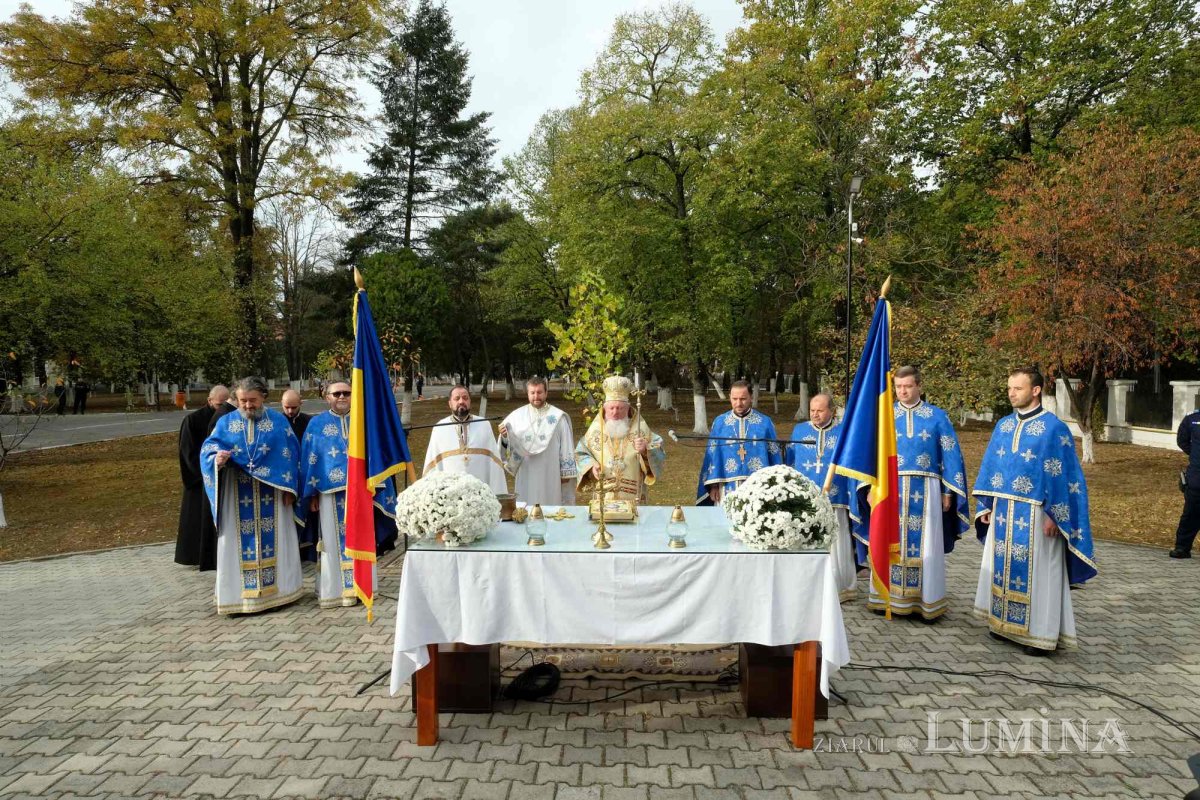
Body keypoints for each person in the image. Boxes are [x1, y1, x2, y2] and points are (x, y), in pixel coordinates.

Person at [973, 367, 1097, 655]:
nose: (1011, 393)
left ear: (1036, 390)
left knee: (1041, 573)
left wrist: (1057, 514)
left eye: (1017, 388)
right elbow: (993, 466)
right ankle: (1002, 623)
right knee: (1003, 567)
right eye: (1009, 388)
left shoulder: (1054, 428)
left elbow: (1066, 475)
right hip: (1004, 512)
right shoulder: (1003, 425)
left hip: (1037, 514)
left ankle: (1039, 635)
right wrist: (988, 505)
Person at [861, 366, 971, 620]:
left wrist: (948, 491)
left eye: (907, 386)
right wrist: (870, 487)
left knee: (926, 546)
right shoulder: (885, 417)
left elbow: (951, 455)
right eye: (898, 387)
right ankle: (886, 597)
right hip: (891, 489)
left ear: (919, 386)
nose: (902, 391)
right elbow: (871, 454)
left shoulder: (937, 417)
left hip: (927, 489)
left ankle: (925, 601)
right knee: (890, 540)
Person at [200, 376, 305, 615]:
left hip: (274, 494)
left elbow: (292, 457)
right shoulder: (226, 423)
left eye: (253, 401)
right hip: (236, 492)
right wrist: (216, 459)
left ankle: (281, 594)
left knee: (277, 540)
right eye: (242, 401)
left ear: (263, 398)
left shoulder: (278, 421)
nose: (248, 406)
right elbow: (208, 448)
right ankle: (237, 598)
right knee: (237, 543)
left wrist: (291, 490)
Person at [298, 381, 397, 607]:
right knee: (332, 542)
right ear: (327, 397)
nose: (342, 396)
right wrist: (311, 494)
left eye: (347, 393)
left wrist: (377, 484)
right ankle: (334, 591)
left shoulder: (364, 421)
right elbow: (309, 460)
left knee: (362, 538)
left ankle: (364, 587)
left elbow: (377, 455)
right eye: (337, 393)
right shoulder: (316, 424)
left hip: (361, 492)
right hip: (328, 494)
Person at [788, 393, 859, 601]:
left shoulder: (843, 432)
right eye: (812, 410)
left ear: (832, 411)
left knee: (838, 541)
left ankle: (841, 586)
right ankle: (807, 586)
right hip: (805, 498)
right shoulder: (799, 431)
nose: (815, 414)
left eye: (819, 410)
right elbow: (791, 461)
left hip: (836, 497)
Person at [575, 375, 665, 503]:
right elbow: (581, 453)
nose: (615, 412)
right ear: (604, 409)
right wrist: (591, 466)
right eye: (611, 408)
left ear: (628, 409)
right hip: (604, 496)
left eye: (620, 408)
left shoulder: (640, 429)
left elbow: (658, 448)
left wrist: (646, 449)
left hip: (634, 497)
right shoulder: (595, 431)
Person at [696, 380, 781, 504]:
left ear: (751, 398)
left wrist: (774, 485)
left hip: (758, 487)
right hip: (726, 486)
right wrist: (713, 486)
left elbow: (774, 455)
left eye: (743, 399)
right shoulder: (720, 422)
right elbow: (712, 455)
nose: (738, 403)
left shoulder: (765, 423)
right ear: (730, 397)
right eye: (734, 399)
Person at [175, 385, 230, 570]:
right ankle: (195, 556)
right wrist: (205, 474)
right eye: (219, 404)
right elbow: (188, 453)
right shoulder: (193, 420)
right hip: (199, 480)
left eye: (225, 404)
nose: (222, 409)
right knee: (197, 523)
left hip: (218, 475)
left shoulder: (225, 419)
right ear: (209, 401)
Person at [500, 377, 577, 506]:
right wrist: (505, 437)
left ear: (546, 393)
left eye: (539, 392)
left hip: (550, 471)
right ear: (528, 394)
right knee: (526, 505)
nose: (536, 396)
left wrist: (566, 474)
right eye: (532, 393)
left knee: (551, 505)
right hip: (526, 470)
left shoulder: (558, 417)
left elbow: (566, 445)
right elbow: (505, 447)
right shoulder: (516, 416)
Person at [422, 384, 507, 493]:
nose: (461, 401)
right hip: (450, 496)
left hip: (481, 494)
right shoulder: (439, 428)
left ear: (470, 402)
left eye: (465, 398)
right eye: (457, 398)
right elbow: (432, 466)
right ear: (450, 404)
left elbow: (494, 464)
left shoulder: (484, 425)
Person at [1169, 406, 1200, 558]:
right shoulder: (1192, 419)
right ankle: (1182, 547)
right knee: (1190, 514)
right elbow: (1182, 440)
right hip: (1197, 477)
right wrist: (1195, 454)